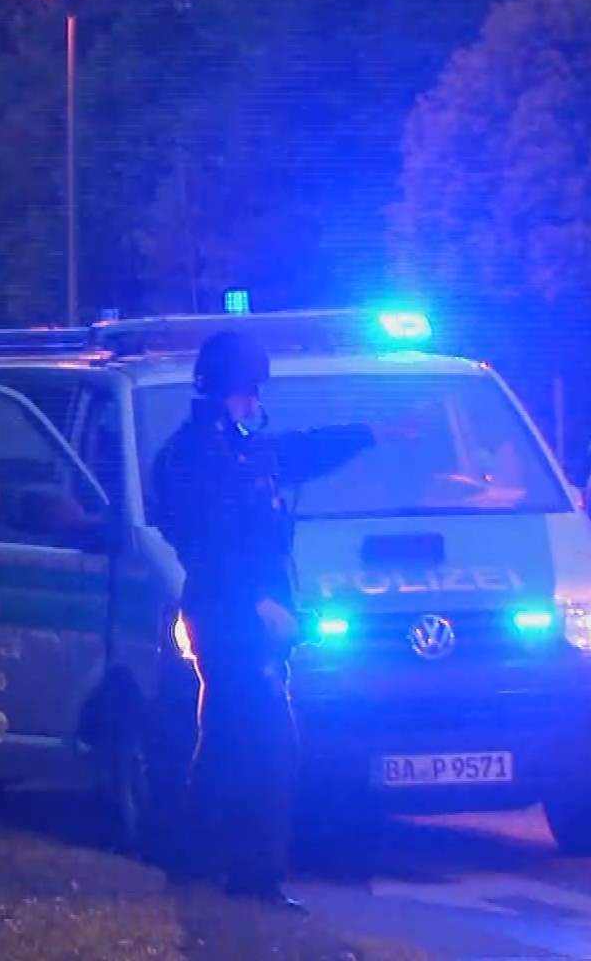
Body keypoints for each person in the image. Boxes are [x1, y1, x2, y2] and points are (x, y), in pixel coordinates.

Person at [150, 331, 388, 909]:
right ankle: (253, 876)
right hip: (233, 618)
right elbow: (206, 542)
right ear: (232, 389)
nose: (257, 402)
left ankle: (195, 862)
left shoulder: (233, 450)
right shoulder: (195, 458)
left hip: (244, 614)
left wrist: (371, 433)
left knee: (230, 738)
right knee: (269, 745)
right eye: (251, 389)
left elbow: (300, 451)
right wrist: (257, 600)